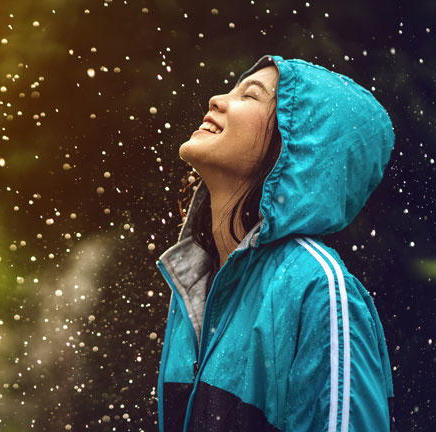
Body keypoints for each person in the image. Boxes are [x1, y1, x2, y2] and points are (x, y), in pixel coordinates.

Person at [155, 54, 395, 431]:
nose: (217, 99)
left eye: (250, 95)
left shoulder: (319, 289)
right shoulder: (197, 281)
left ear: (298, 146)